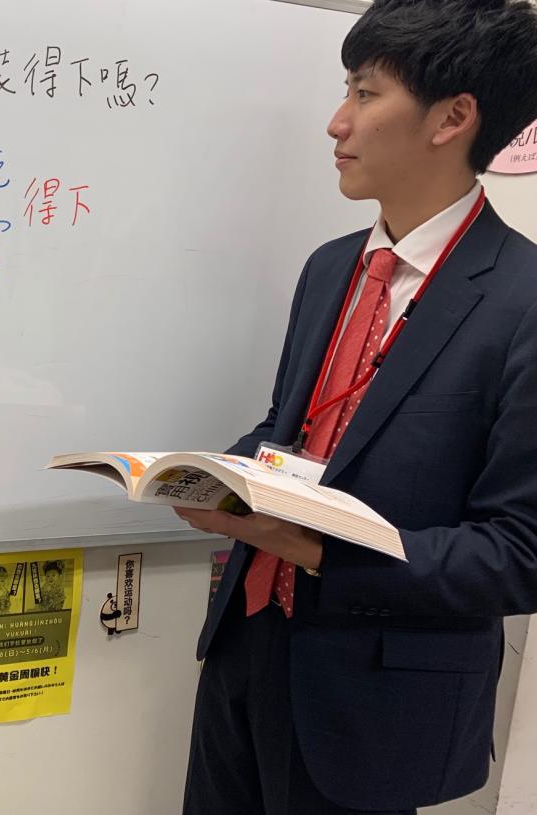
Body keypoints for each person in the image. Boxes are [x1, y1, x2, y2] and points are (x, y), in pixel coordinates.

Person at [175, 2, 537, 813]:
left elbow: (519, 553)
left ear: (453, 118)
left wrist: (318, 553)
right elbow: (293, 431)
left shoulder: (524, 301)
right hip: (245, 648)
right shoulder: (331, 267)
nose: (338, 122)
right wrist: (220, 477)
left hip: (377, 702)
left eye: (365, 94)